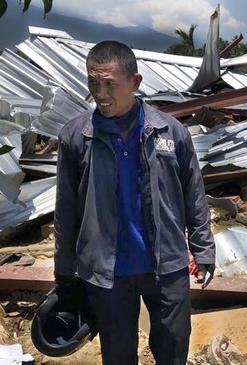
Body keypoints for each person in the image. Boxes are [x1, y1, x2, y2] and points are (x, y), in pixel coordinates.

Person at [53, 40, 215, 365]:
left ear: (135, 82)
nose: (100, 93)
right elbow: (66, 210)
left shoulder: (169, 131)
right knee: (118, 355)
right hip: (107, 273)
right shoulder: (77, 138)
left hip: (166, 266)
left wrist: (204, 251)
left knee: (172, 350)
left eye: (109, 84)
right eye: (92, 82)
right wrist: (65, 272)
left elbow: (193, 195)